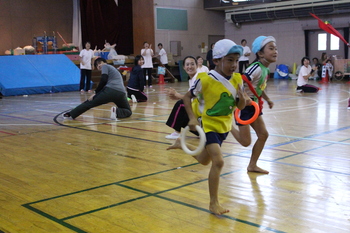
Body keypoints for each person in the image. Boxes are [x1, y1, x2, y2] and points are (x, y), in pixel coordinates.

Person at [167, 39, 250, 215]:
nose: (234, 64)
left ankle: (181, 145)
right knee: (218, 162)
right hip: (208, 125)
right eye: (229, 60)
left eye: (236, 60)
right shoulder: (205, 80)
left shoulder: (237, 80)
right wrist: (192, 119)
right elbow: (187, 98)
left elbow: (240, 107)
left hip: (224, 127)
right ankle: (213, 203)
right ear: (217, 61)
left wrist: (242, 101)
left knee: (205, 160)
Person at [230, 35, 278, 174]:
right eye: (271, 48)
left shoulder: (266, 69)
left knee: (263, 135)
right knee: (245, 142)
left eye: (276, 48)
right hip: (244, 107)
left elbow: (257, 88)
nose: (275, 51)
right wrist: (244, 98)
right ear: (260, 53)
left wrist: (267, 99)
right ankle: (227, 126)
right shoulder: (256, 67)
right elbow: (240, 81)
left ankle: (252, 165)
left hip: (254, 106)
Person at [63, 58, 132, 120]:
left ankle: (71, 114)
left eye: (100, 63)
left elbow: (103, 80)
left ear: (105, 62)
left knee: (90, 102)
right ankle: (116, 111)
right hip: (121, 93)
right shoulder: (112, 69)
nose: (99, 65)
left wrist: (95, 93)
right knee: (128, 111)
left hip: (110, 91)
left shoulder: (105, 66)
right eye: (97, 65)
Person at [165, 56, 199, 139]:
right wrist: (177, 96)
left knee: (181, 104)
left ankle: (177, 132)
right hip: (199, 118)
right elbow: (190, 97)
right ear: (184, 67)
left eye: (192, 64)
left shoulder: (198, 79)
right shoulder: (191, 80)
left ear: (197, 66)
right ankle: (200, 132)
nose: (190, 67)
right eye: (187, 64)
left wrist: (177, 95)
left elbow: (190, 99)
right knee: (182, 107)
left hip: (203, 115)